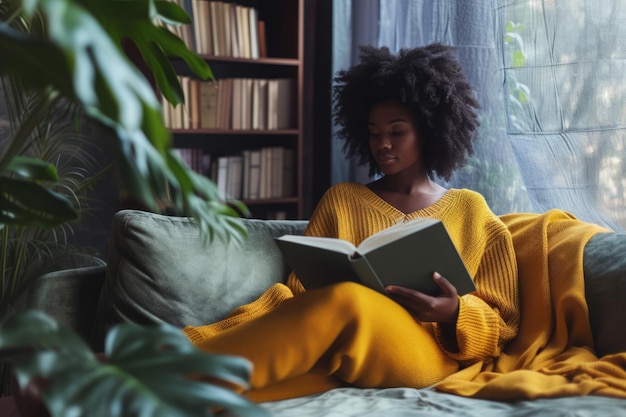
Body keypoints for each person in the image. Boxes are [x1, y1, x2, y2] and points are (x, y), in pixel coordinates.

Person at [183, 42, 520, 402]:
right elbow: (297, 298)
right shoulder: (341, 200)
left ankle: (164, 376)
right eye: (374, 133)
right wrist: (203, 336)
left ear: (429, 130)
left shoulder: (472, 211)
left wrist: (455, 312)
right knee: (228, 400)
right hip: (349, 350)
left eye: (397, 131)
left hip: (428, 355)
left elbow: (505, 326)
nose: (383, 144)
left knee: (346, 300)